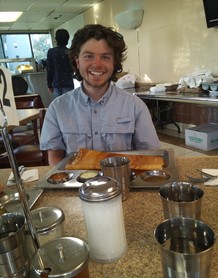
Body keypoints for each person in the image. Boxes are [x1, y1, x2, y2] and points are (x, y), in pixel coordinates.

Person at [40, 24, 160, 166]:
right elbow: (55, 157)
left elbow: (150, 155)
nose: (97, 64)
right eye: (89, 56)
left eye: (105, 57)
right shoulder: (57, 108)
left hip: (123, 182)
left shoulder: (135, 106)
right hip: (77, 185)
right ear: (77, 62)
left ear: (114, 63)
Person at [46, 29, 74, 99]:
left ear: (56, 39)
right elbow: (73, 68)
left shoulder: (51, 52)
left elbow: (49, 69)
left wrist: (49, 85)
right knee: (69, 106)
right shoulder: (70, 52)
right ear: (67, 39)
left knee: (58, 107)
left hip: (56, 83)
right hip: (68, 83)